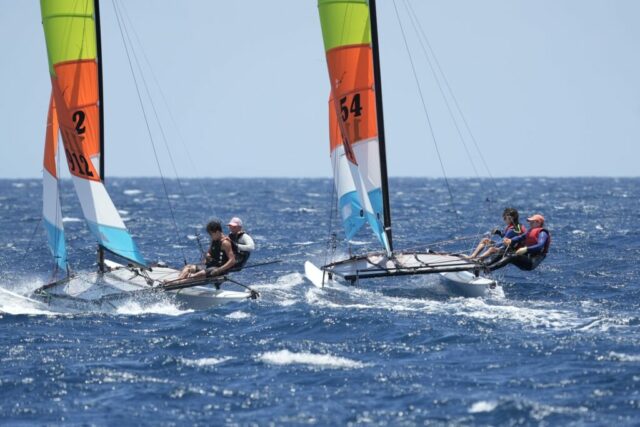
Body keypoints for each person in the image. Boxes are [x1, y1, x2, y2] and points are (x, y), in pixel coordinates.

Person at [487, 213, 551, 271]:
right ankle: (485, 265)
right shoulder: (530, 231)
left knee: (511, 256)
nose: (530, 223)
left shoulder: (543, 233)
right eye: (530, 222)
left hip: (531, 262)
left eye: (532, 222)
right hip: (525, 257)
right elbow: (520, 237)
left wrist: (526, 249)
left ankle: (489, 269)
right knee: (504, 251)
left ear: (538, 223)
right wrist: (510, 241)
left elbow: (540, 245)